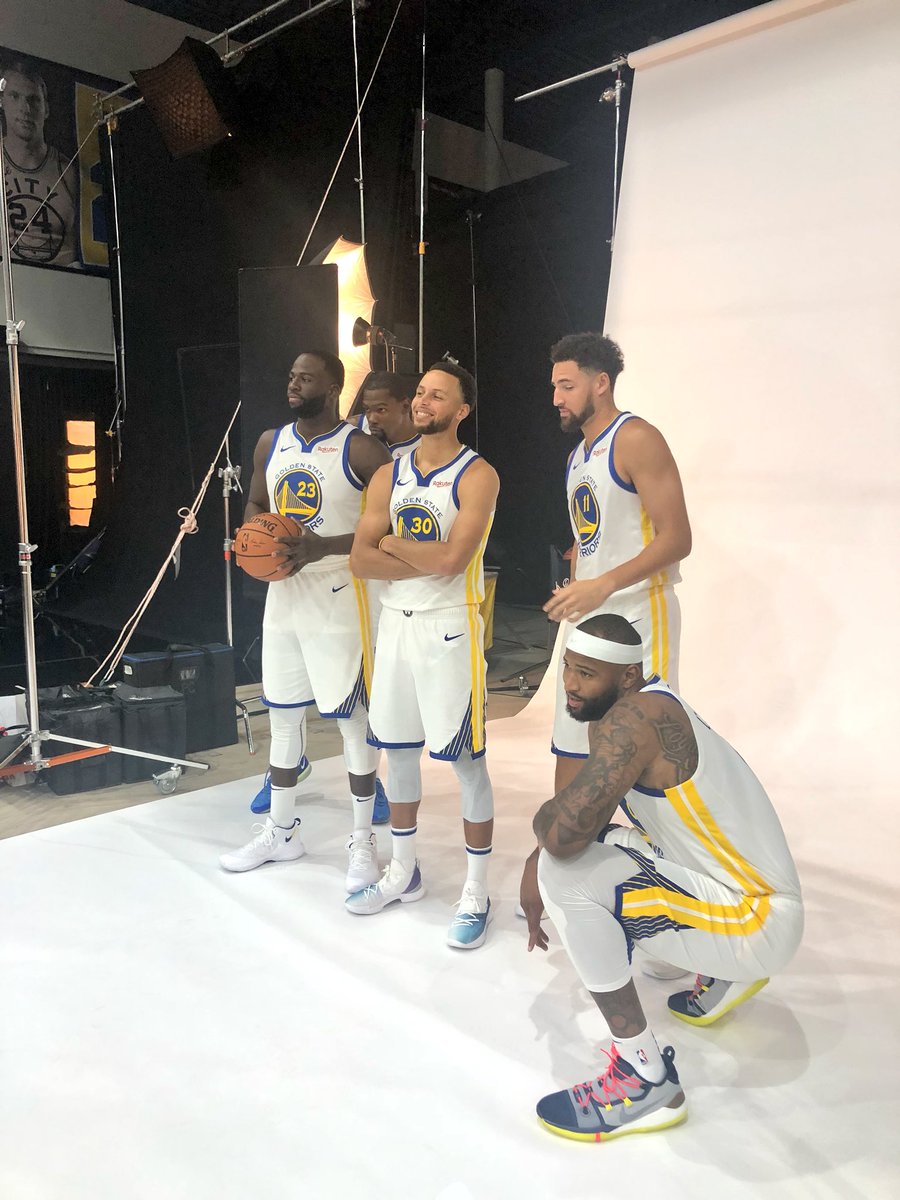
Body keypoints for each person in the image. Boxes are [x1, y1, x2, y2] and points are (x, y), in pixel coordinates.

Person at [520, 614, 803, 1142]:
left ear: (628, 676)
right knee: (601, 850)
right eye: (567, 668)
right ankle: (724, 972)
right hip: (747, 893)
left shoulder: (636, 719)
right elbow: (587, 818)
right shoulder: (650, 703)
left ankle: (645, 1080)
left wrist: (539, 853)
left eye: (587, 673)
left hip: (756, 920)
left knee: (566, 875)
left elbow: (562, 835)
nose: (571, 684)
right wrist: (540, 848)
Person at [220, 351, 391, 894]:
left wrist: (322, 546)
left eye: (306, 378)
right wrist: (257, 538)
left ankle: (362, 841)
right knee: (283, 714)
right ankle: (281, 831)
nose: (293, 384)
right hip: (284, 594)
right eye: (291, 376)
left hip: (340, 592)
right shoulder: (270, 442)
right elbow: (254, 502)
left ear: (334, 386)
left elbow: (386, 528)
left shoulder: (362, 449)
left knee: (351, 720)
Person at [346, 361, 500, 949]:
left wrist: (391, 542)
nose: (422, 402)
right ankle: (403, 871)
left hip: (450, 628)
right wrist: (417, 553)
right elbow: (361, 561)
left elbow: (453, 562)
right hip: (395, 626)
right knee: (399, 753)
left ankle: (476, 890)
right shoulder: (390, 473)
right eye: (419, 393)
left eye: (437, 395)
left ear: (462, 410)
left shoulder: (477, 474)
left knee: (467, 763)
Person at [544, 333, 692, 799]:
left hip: (639, 612)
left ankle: (650, 841)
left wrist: (603, 583)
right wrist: (576, 585)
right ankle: (573, 841)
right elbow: (592, 535)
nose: (557, 398)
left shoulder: (636, 438)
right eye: (555, 386)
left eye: (567, 386)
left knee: (641, 750)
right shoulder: (577, 457)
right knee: (572, 742)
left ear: (601, 383)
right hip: (590, 616)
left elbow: (678, 538)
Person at [1, 58, 77, 267]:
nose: (25, 108)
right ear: (2, 102)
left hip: (59, 283)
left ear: (47, 109)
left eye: (33, 99)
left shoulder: (69, 173)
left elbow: (78, 252)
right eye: (14, 96)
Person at [359, 372, 420, 457]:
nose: (372, 419)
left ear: (405, 406)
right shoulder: (354, 429)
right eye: (367, 409)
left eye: (381, 410)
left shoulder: (428, 445)